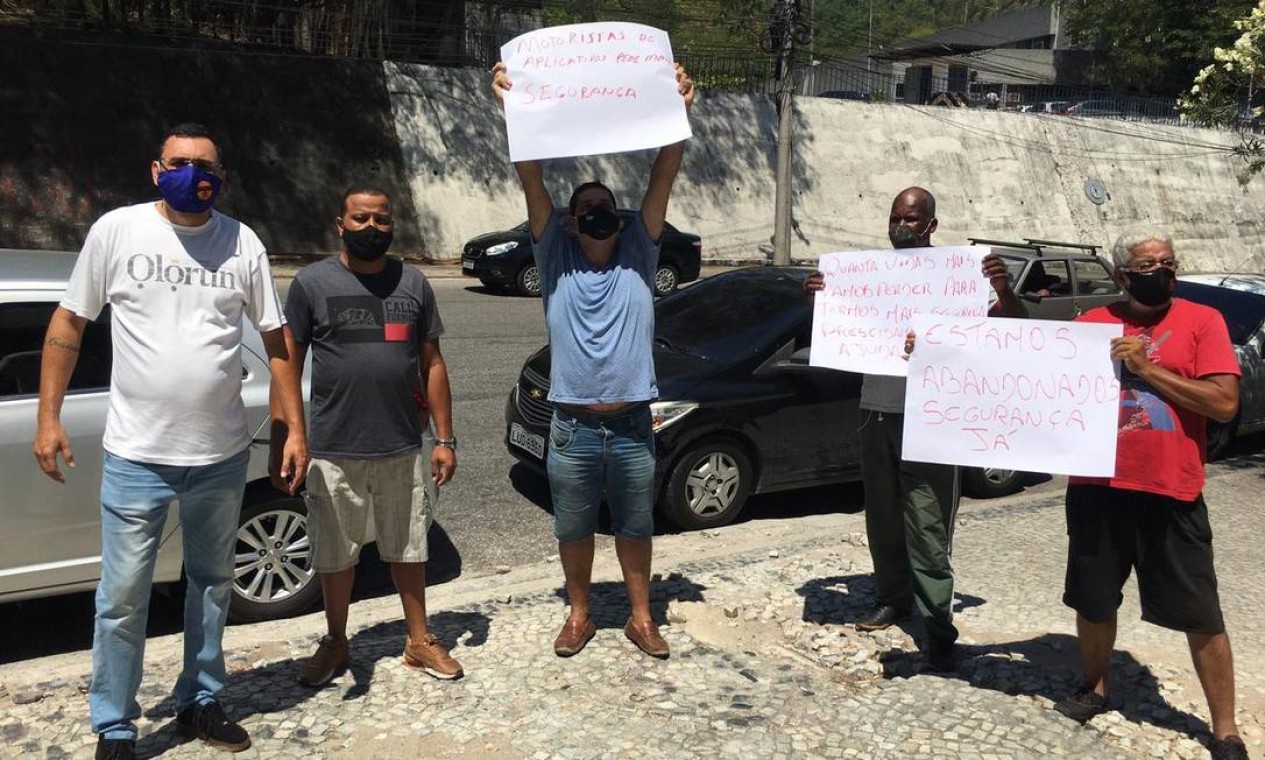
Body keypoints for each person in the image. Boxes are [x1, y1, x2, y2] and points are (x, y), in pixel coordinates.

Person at [32, 123, 307, 760]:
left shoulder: (243, 243)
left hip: (221, 455)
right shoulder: (117, 231)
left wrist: (293, 427)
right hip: (137, 455)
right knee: (123, 597)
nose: (193, 173)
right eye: (180, 162)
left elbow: (276, 340)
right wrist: (49, 417)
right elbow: (70, 320)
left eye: (205, 164)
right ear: (158, 170)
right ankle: (116, 727)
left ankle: (201, 697)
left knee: (212, 582)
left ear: (223, 178)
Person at [491, 60, 694, 659]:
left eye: (606, 202)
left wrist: (677, 108)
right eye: (586, 206)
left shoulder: (639, 250)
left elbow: (665, 172)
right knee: (573, 529)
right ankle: (578, 615)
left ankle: (640, 617)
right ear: (572, 221)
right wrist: (513, 106)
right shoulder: (555, 259)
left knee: (636, 527)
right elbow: (531, 177)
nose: (597, 210)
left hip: (633, 425)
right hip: (572, 427)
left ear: (621, 213)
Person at [804, 187, 1024, 672]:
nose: (900, 225)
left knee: (926, 521)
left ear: (931, 225)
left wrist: (1004, 289)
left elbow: (1012, 328)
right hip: (875, 409)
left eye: (910, 218)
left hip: (933, 415)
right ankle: (893, 597)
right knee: (881, 513)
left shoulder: (961, 278)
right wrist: (824, 296)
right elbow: (838, 330)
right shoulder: (869, 276)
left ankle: (938, 623)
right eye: (894, 217)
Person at [1054, 232, 1249, 760]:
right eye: (1146, 264)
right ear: (1122, 275)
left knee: (1201, 612)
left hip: (1171, 491)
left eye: (1167, 262)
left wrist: (1145, 368)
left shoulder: (1203, 321)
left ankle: (1226, 728)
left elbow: (1225, 403)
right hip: (1098, 490)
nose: (1159, 270)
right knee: (1093, 601)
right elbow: (1025, 372)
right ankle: (1095, 687)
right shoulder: (1089, 327)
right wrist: (934, 353)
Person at [277, 186, 462, 686]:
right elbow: (287, 363)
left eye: (382, 219)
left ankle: (419, 639)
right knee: (336, 557)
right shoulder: (312, 284)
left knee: (409, 548)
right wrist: (291, 433)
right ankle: (337, 642)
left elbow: (433, 363)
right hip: (333, 448)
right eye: (361, 219)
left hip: (401, 445)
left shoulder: (414, 283)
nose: (372, 227)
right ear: (341, 223)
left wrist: (445, 439)